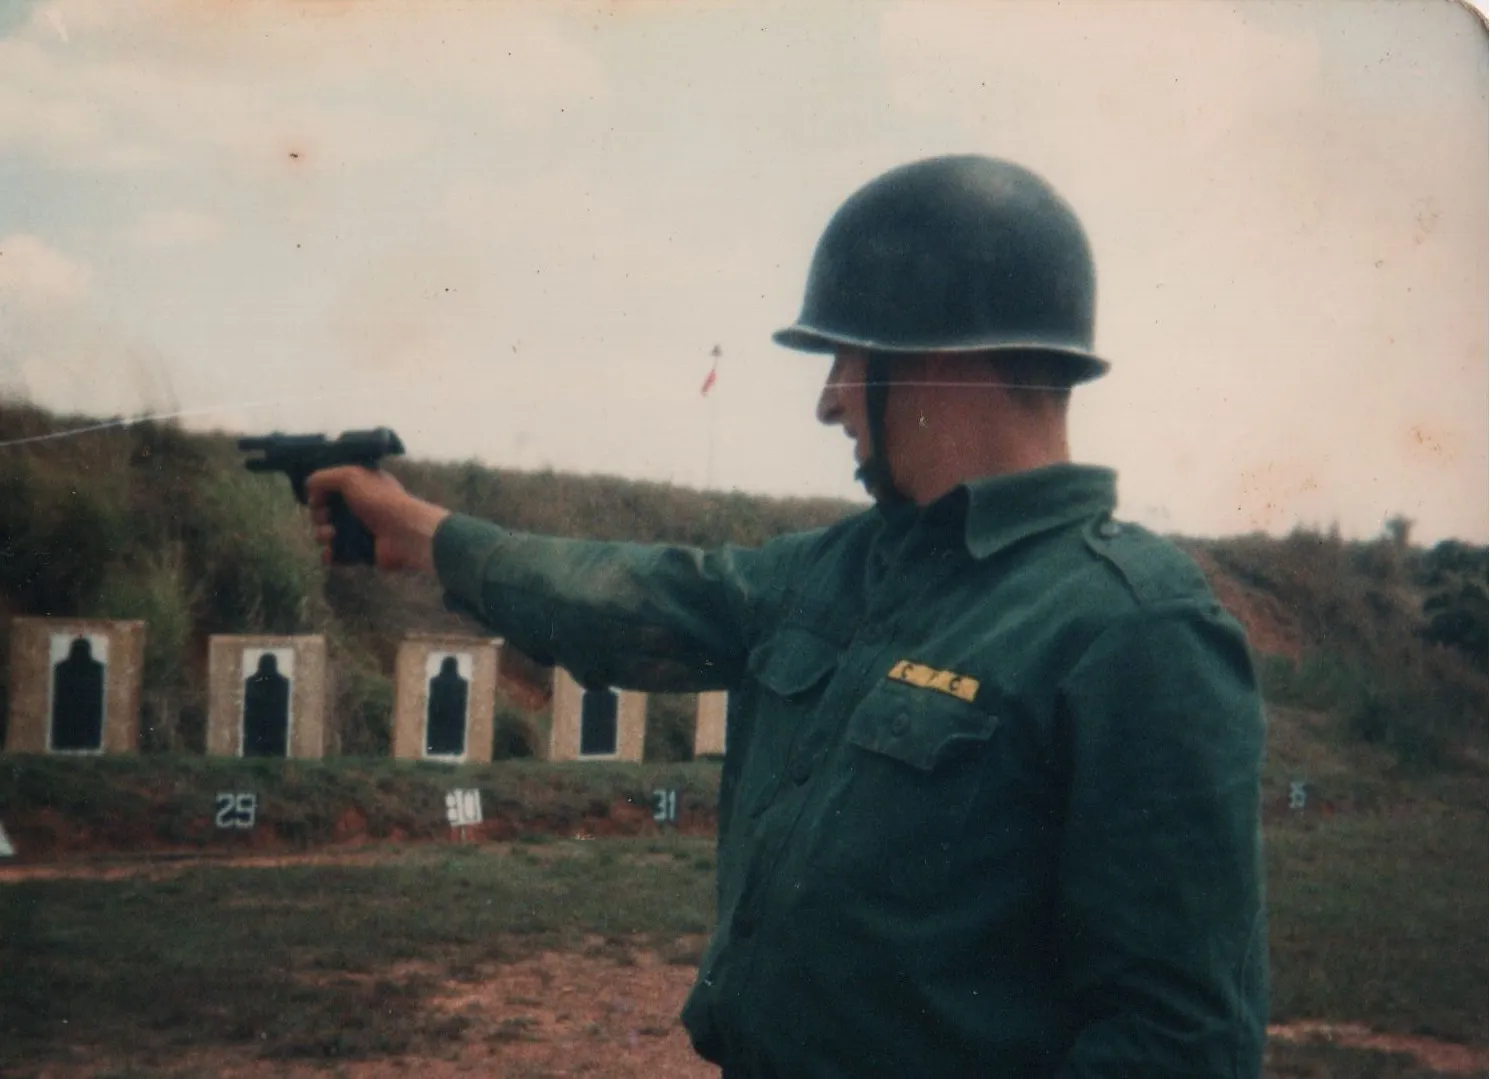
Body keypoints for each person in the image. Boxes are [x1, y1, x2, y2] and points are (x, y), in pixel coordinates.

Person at [306, 155, 1268, 1077]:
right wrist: (422, 534)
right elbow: (634, 593)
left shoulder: (1138, 631)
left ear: (939, 359)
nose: (828, 401)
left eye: (845, 355)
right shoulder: (841, 570)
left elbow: (1176, 1040)